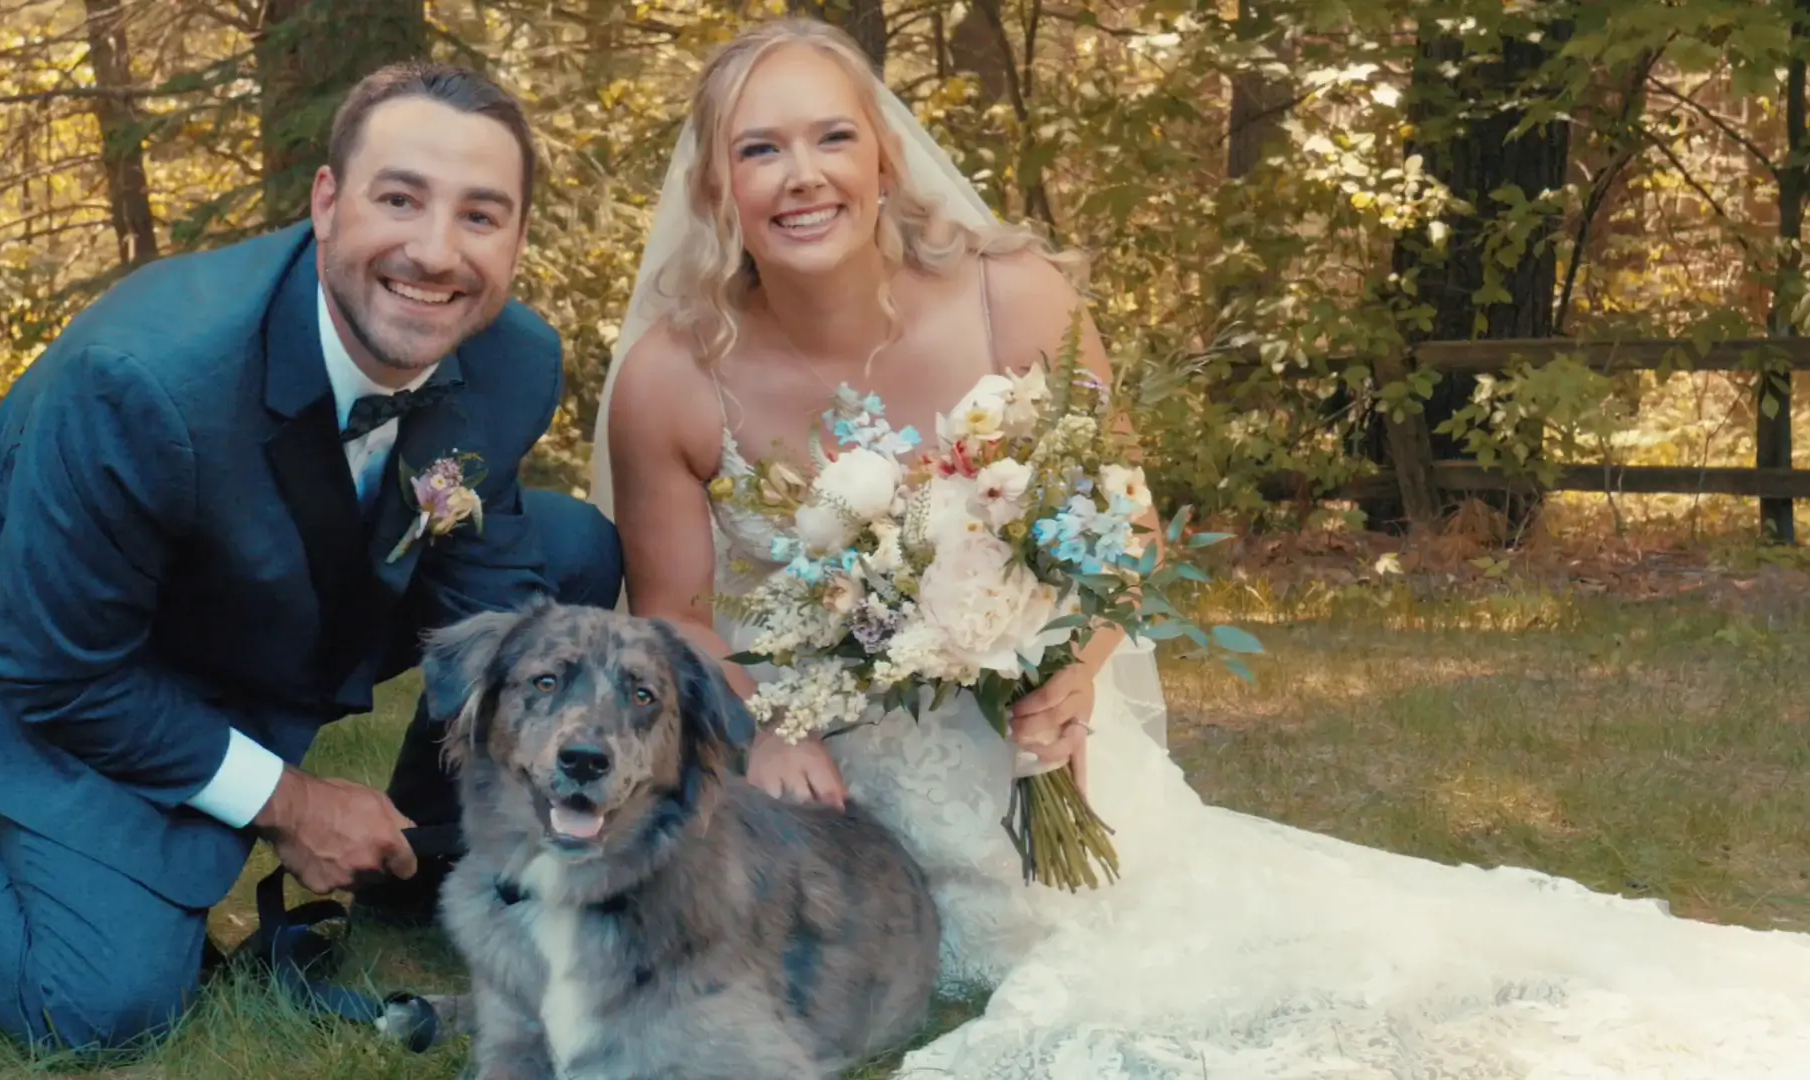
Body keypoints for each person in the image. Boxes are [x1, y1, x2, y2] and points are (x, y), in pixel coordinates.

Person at [592, 17, 1810, 1078]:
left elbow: (1126, 528)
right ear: (715, 189)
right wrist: (777, 727)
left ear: (882, 155)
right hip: (843, 788)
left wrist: (1070, 672)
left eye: (828, 138)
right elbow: (676, 619)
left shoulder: (1011, 297)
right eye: (759, 149)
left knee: (1235, 962)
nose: (800, 176)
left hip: (1047, 751)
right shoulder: (671, 379)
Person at [0, 60, 620, 1052]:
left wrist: (580, 837)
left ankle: (439, 862)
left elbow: (489, 593)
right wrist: (292, 802)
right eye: (399, 198)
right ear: (327, 201)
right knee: (101, 1002)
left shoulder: (512, 359)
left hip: (285, 603)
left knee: (571, 555)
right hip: (80, 651)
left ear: (519, 237)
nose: (436, 251)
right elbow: (60, 672)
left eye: (481, 215)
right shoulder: (145, 382)